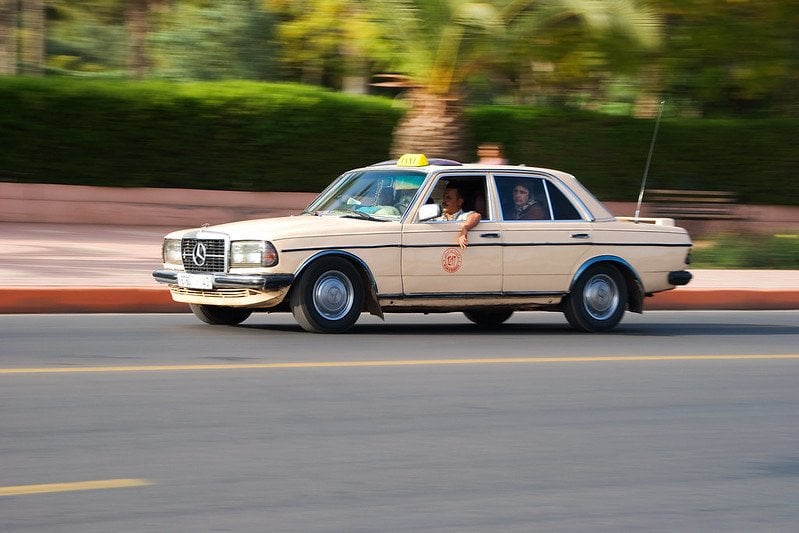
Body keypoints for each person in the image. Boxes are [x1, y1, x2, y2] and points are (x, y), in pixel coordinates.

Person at [435, 184, 481, 249]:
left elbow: (476, 216)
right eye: (444, 197)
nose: (444, 201)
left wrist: (465, 229)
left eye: (448, 198)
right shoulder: (437, 218)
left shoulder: (463, 216)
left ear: (459, 202)